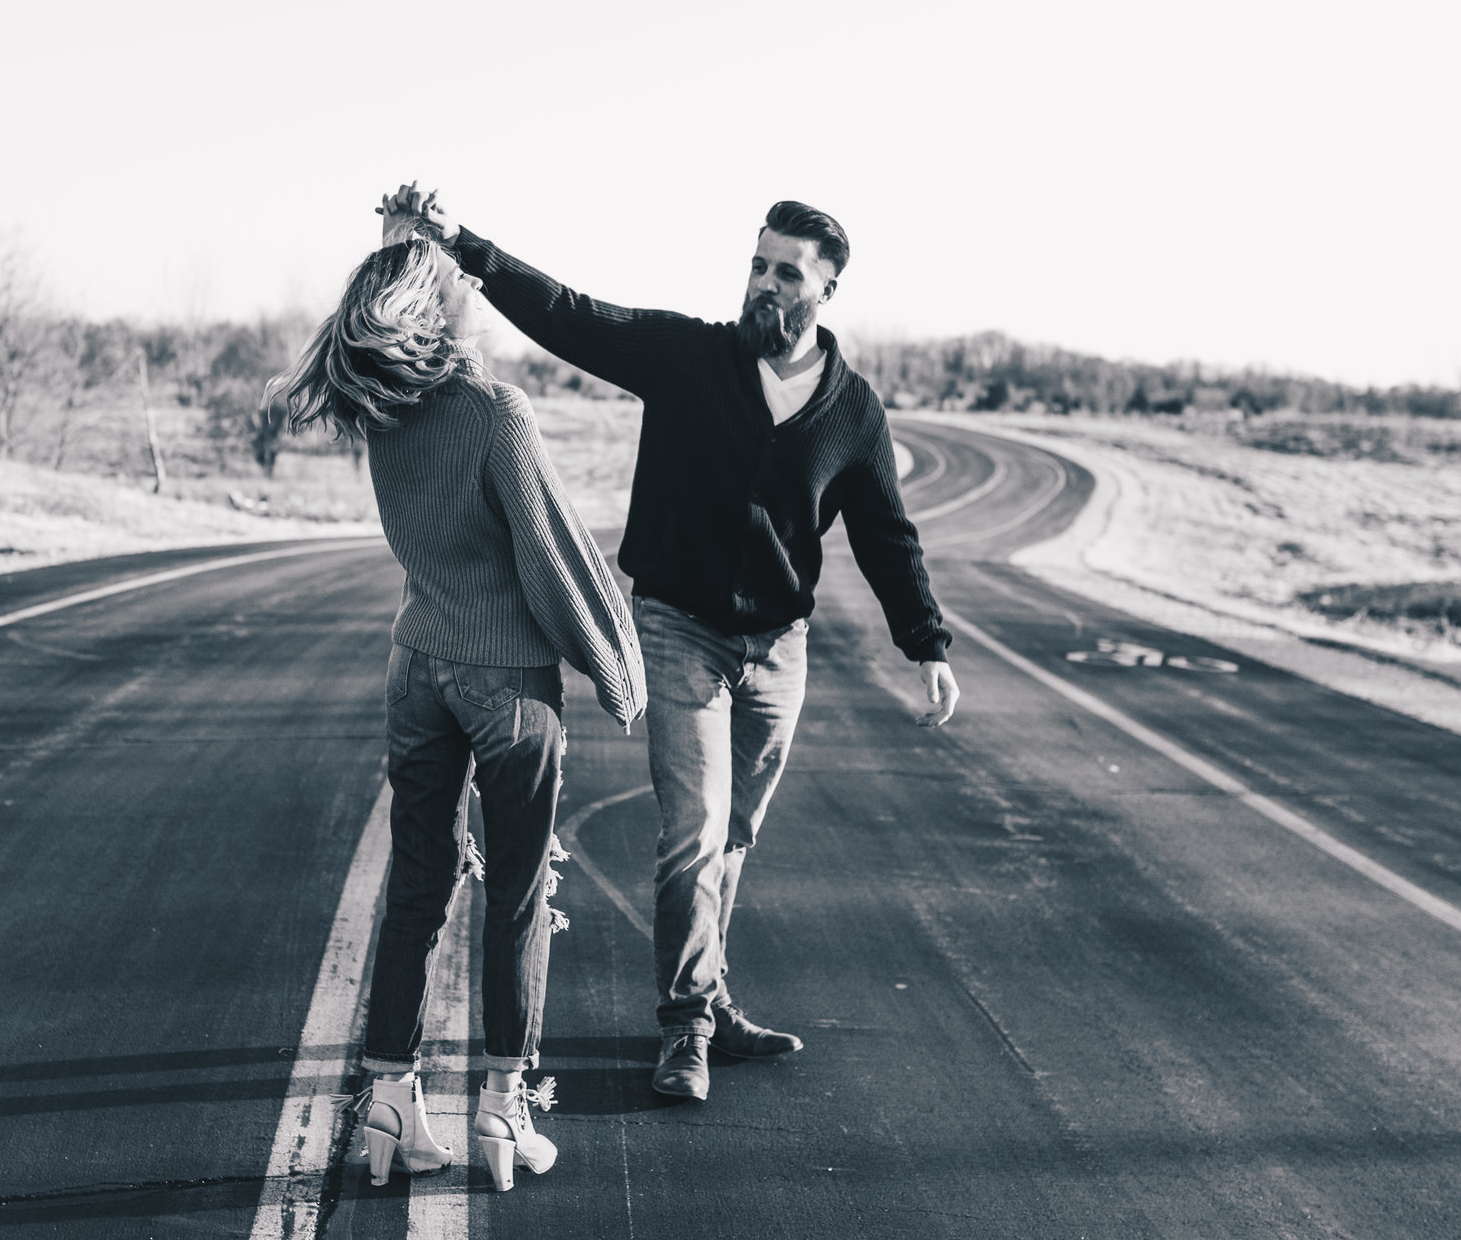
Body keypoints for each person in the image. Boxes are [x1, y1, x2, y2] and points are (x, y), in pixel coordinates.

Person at [384, 184, 960, 1103]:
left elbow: (887, 534)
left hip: (779, 649)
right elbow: (575, 317)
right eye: (758, 263)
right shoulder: (691, 356)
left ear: (828, 291)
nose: (765, 284)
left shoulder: (852, 413)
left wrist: (926, 642)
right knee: (693, 833)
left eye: (788, 272)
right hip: (680, 630)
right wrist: (467, 248)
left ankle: (713, 998)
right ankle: (685, 1026)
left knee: (735, 835)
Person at [271, 225, 646, 1191]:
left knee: (417, 886)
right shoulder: (496, 413)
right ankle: (502, 1108)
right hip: (506, 684)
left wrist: (410, 236)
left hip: (416, 671)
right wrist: (615, 666)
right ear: (442, 309)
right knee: (519, 895)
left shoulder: (381, 414)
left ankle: (392, 1099)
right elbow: (551, 554)